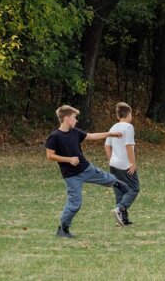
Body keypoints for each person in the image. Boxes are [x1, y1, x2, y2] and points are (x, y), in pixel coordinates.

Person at [44, 105, 125, 238]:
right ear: (67, 119)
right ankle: (63, 229)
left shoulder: (75, 132)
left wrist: (110, 134)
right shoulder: (55, 136)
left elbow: (91, 136)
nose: (76, 121)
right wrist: (68, 159)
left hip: (86, 168)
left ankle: (119, 185)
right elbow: (50, 155)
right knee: (75, 204)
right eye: (75, 118)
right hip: (71, 176)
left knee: (107, 178)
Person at [105, 101, 140, 226]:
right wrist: (132, 162)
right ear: (128, 114)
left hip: (114, 165)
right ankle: (120, 208)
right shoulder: (128, 127)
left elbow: (107, 146)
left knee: (120, 190)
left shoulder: (113, 127)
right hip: (125, 165)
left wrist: (110, 160)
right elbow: (129, 146)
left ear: (117, 116)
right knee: (134, 188)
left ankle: (121, 219)